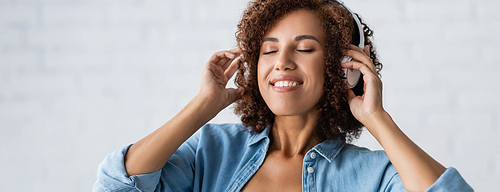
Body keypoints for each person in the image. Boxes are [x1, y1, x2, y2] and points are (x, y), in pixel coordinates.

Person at [93, 0, 473, 191]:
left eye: (305, 49)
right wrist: (201, 107)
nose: (282, 63)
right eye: (269, 50)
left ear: (342, 66)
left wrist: (376, 118)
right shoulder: (211, 151)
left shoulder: (373, 175)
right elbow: (115, 185)